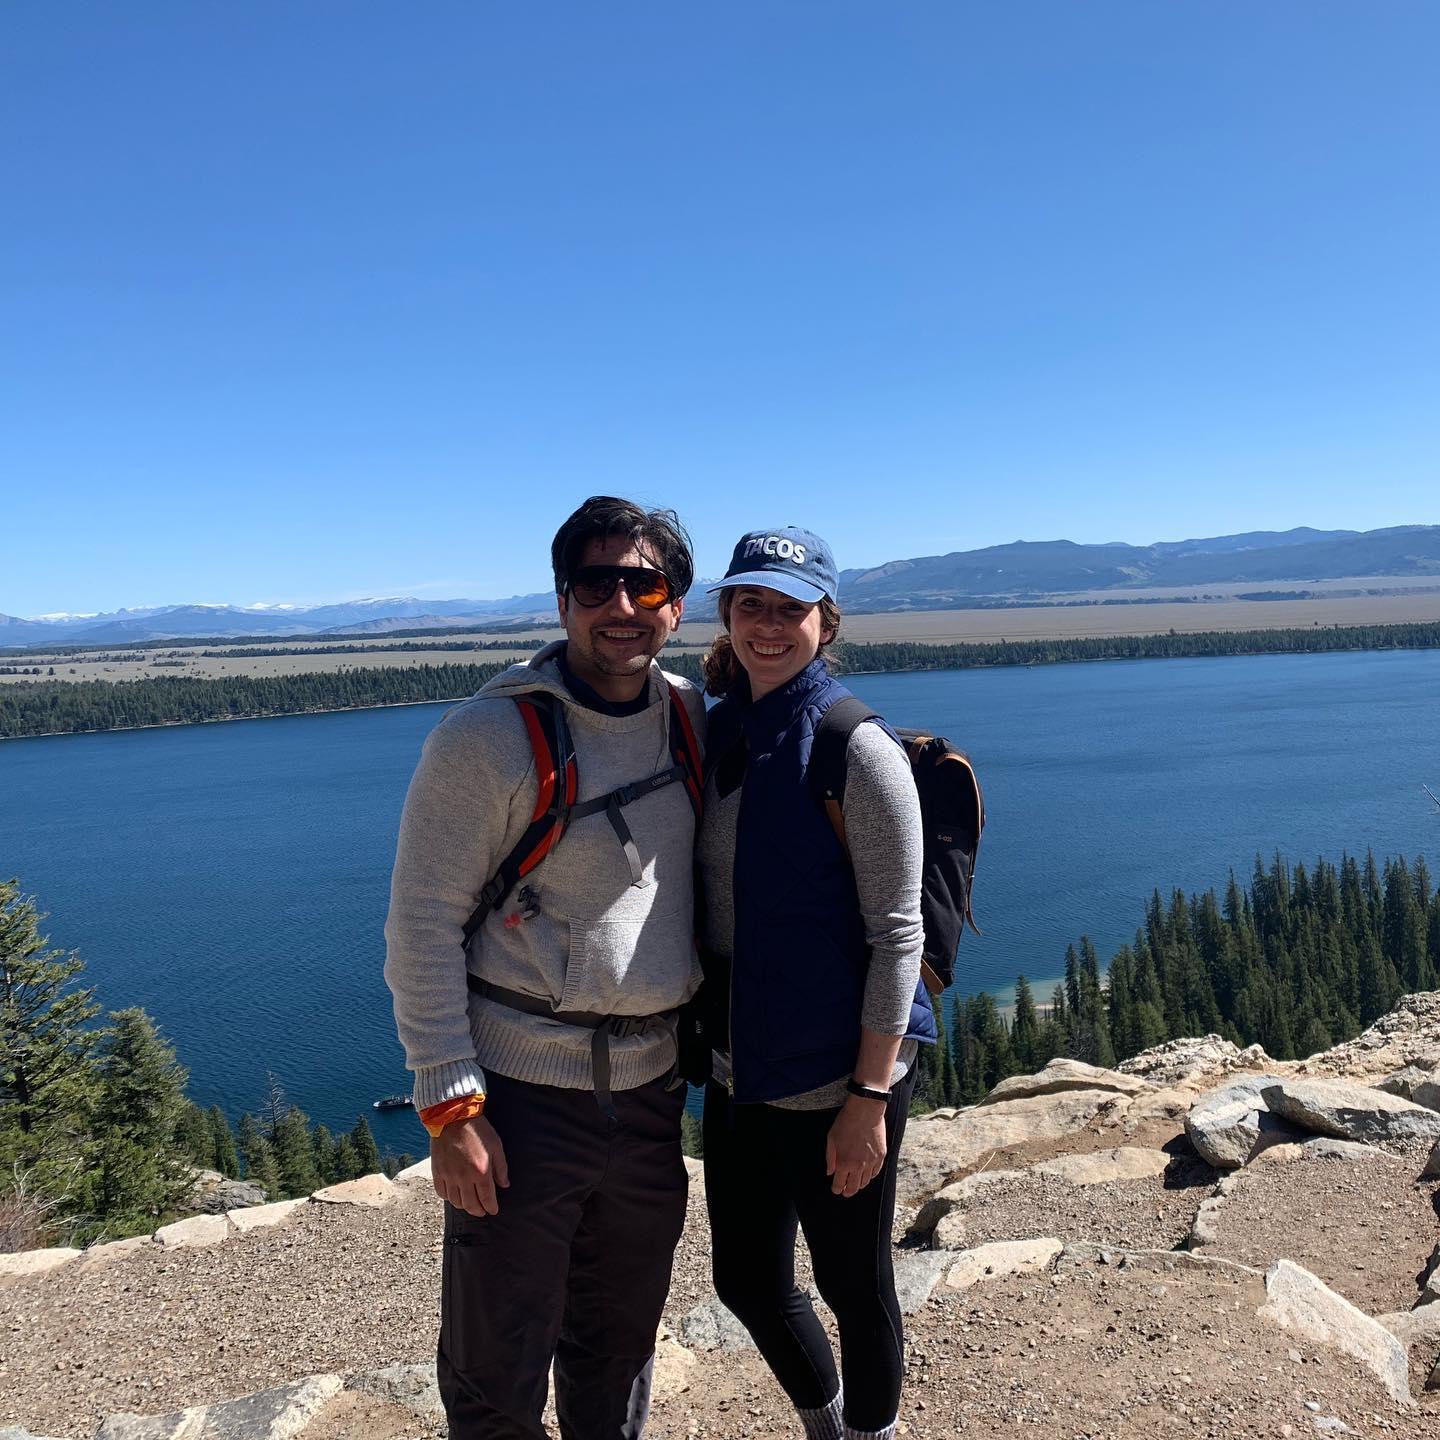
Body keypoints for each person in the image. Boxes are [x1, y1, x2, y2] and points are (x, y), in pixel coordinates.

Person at [384, 496, 706, 1440]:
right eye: (596, 584)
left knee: (621, 1344)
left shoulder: (688, 716)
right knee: (498, 1363)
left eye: (644, 584)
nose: (622, 604)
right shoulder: (485, 741)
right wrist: (451, 1110)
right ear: (563, 601)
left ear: (675, 607)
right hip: (523, 1098)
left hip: (650, 1092)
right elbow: (420, 925)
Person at [695, 526, 934, 1440]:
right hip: (739, 1070)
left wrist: (869, 1099)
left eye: (789, 607)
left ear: (824, 623)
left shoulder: (854, 749)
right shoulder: (723, 729)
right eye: (750, 602)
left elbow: (896, 935)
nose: (767, 623)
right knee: (746, 1279)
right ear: (726, 613)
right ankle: (826, 1423)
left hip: (841, 1078)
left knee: (853, 1284)